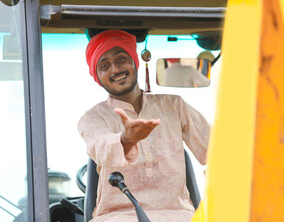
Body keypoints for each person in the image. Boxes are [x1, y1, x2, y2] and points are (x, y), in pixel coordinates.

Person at [78, 30, 210, 222]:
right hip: (117, 217)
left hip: (180, 215)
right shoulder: (92, 118)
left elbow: (216, 150)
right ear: (97, 77)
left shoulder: (174, 106)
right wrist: (125, 140)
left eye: (121, 59)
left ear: (134, 62)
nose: (115, 69)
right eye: (104, 65)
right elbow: (100, 147)